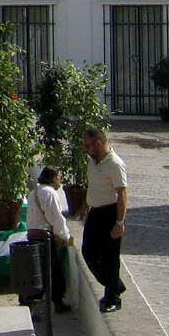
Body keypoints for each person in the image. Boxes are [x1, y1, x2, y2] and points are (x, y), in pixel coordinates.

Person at [81, 126, 129, 312]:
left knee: (110, 257)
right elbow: (93, 185)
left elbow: (122, 194)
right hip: (95, 211)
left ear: (98, 144)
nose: (87, 149)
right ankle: (115, 284)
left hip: (109, 213)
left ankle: (113, 297)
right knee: (88, 251)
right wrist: (85, 204)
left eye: (88, 146)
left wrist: (119, 222)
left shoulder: (115, 164)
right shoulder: (93, 161)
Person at [26, 166, 74, 312]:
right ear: (53, 178)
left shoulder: (34, 193)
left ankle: (31, 303)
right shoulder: (50, 193)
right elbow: (56, 218)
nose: (60, 181)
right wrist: (65, 236)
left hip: (32, 235)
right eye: (59, 177)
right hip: (44, 237)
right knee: (54, 271)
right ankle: (57, 302)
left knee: (37, 270)